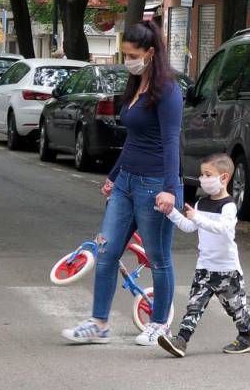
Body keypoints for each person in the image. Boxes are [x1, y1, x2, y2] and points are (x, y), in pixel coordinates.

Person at [61, 20, 183, 346]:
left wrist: (170, 189)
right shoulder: (135, 84)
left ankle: (160, 325)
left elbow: (171, 142)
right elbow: (134, 138)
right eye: (125, 53)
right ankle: (98, 324)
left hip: (155, 184)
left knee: (158, 258)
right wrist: (114, 176)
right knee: (106, 252)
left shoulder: (168, 91)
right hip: (127, 182)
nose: (128, 59)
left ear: (151, 52)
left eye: (133, 54)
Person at [158, 153, 250, 357]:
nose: (203, 179)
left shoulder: (229, 206)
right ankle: (181, 341)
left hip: (227, 271)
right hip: (204, 267)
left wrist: (198, 218)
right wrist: (170, 212)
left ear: (224, 178)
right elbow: (188, 226)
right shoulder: (201, 203)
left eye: (208, 174)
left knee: (236, 309)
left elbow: (222, 228)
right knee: (194, 306)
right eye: (202, 174)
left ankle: (247, 336)